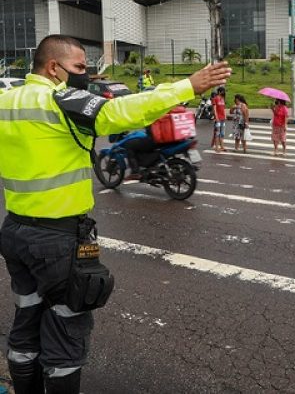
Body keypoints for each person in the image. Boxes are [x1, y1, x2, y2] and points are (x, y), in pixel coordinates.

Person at [0, 34, 230, 394]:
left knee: (27, 316)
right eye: (78, 67)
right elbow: (118, 112)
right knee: (67, 326)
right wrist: (187, 86)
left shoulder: (6, 100)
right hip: (58, 239)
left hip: (15, 232)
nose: (85, 75)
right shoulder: (59, 98)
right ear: (53, 67)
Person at [212, 86, 227, 152]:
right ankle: (216, 147)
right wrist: (216, 117)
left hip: (223, 118)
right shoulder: (215, 99)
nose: (224, 92)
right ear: (219, 92)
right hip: (218, 118)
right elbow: (214, 109)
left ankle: (222, 147)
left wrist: (225, 115)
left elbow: (223, 108)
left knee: (222, 133)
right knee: (217, 133)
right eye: (223, 91)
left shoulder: (223, 99)